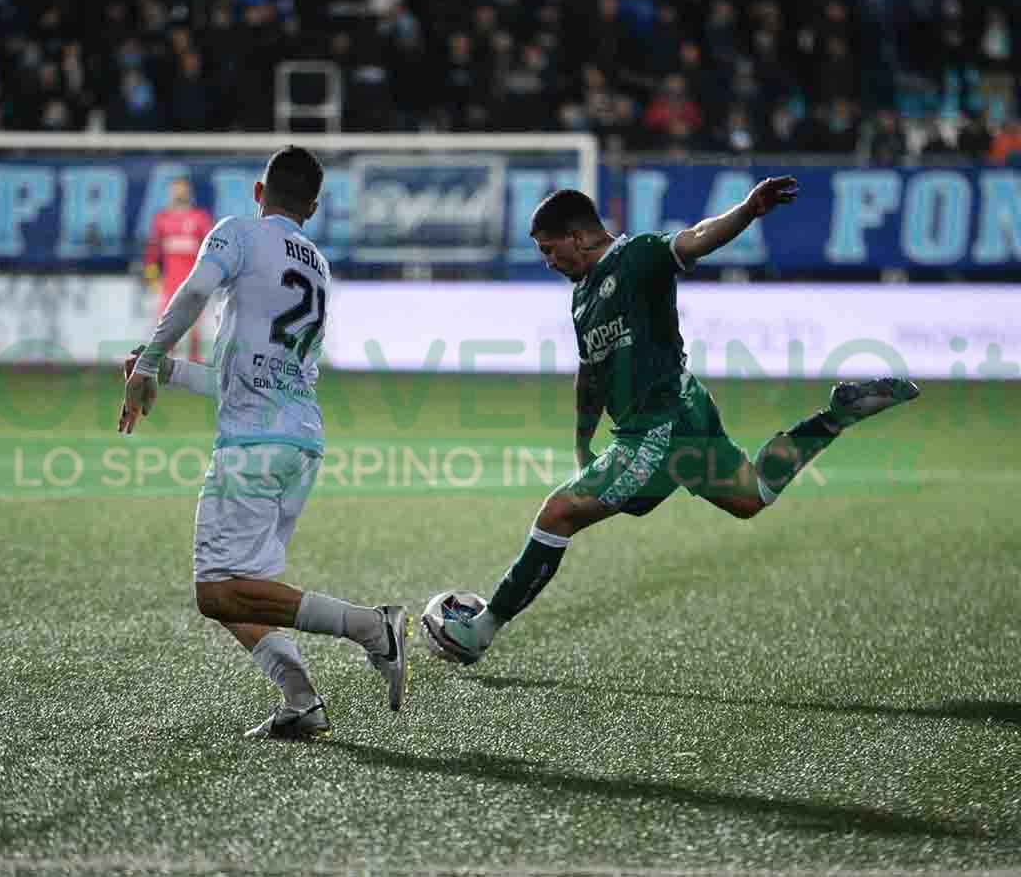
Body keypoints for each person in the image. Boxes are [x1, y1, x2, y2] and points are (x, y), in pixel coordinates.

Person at [424, 181, 920, 665]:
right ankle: (835, 416)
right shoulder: (582, 297)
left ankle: (480, 630)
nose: (548, 262)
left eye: (550, 250)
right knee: (751, 495)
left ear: (577, 236)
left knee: (557, 515)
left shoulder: (637, 257)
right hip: (683, 413)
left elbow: (696, 238)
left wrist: (748, 210)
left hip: (656, 428)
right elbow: (590, 375)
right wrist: (582, 441)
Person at [120, 146, 408, 740]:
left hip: (253, 445)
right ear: (313, 208)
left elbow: (194, 292)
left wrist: (148, 362)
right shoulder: (318, 265)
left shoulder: (239, 234)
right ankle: (300, 699)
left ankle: (372, 628)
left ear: (258, 192)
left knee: (217, 592)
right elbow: (252, 377)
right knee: (239, 590)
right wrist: (168, 371)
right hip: (297, 442)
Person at [142, 177, 214, 362]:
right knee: (167, 328)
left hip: (194, 283)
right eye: (176, 190)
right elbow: (152, 253)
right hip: (169, 285)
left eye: (182, 190)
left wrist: (209, 278)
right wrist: (152, 279)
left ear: (189, 192)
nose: (179, 194)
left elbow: (211, 250)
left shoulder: (200, 218)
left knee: (195, 328)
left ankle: (195, 364)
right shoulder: (162, 219)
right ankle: (167, 367)